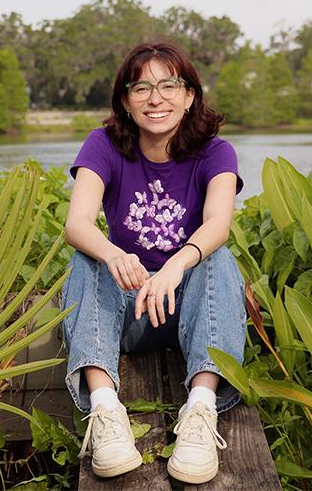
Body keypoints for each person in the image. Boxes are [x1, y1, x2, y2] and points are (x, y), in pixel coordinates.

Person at [61, 42, 245, 484]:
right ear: (125, 100)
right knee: (87, 259)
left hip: (190, 311)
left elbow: (218, 223)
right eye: (141, 87)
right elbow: (77, 223)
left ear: (189, 95)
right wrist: (114, 253)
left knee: (217, 259)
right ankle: (106, 414)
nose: (155, 98)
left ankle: (200, 414)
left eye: (168, 85)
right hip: (129, 310)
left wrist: (176, 266)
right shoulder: (103, 144)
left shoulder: (216, 152)